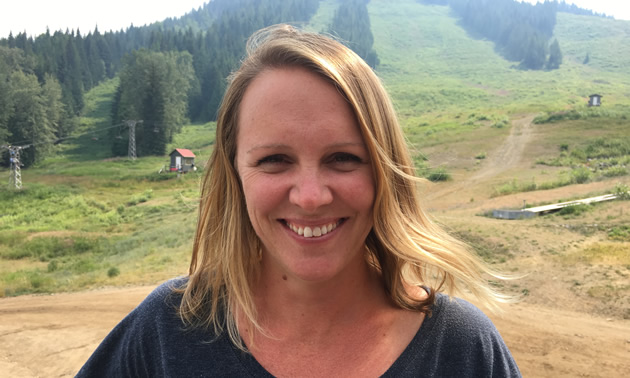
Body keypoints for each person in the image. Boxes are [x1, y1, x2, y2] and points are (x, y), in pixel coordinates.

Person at [77, 24, 520, 377]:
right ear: (235, 175)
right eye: (274, 160)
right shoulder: (171, 328)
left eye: (344, 158)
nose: (310, 198)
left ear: (385, 172)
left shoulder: (461, 349)